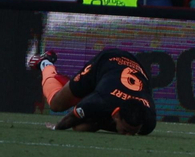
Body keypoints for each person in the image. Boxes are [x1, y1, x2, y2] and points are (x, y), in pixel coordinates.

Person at [27, 48, 155, 135]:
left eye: (133, 132)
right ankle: (45, 63)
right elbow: (71, 117)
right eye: (126, 130)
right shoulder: (102, 100)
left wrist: (97, 121)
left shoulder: (148, 121)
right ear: (116, 114)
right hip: (105, 63)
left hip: (134, 68)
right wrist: (57, 127)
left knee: (81, 128)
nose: (128, 136)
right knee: (56, 104)